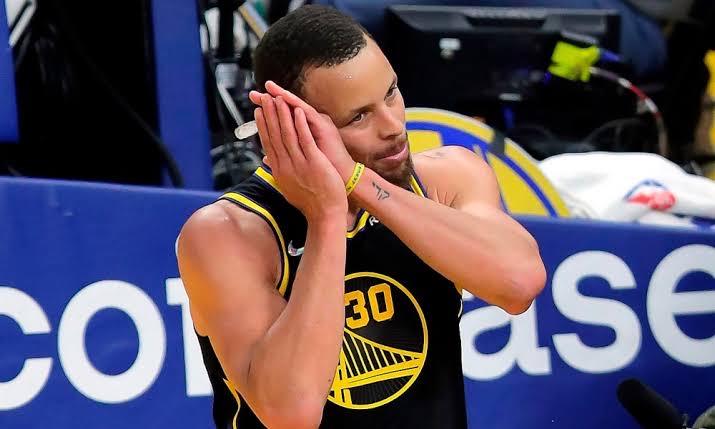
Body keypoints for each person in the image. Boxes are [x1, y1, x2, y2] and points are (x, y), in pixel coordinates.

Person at [177, 5, 546, 429]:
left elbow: (519, 285)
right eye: (359, 116)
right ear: (292, 125)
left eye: (391, 93)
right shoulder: (229, 234)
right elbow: (290, 412)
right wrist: (327, 217)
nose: (393, 127)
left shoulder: (447, 178)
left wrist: (358, 184)